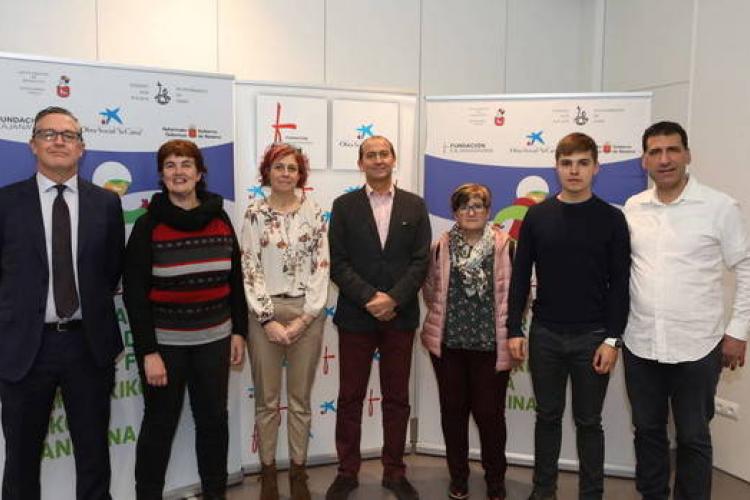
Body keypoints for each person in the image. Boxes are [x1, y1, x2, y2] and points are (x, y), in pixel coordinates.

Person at [0, 106, 125, 500]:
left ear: (82, 148)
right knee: (20, 460)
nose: (58, 141)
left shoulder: (106, 204)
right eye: (48, 133)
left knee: (93, 456)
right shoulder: (5, 202)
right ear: (32, 144)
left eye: (68, 135)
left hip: (87, 346)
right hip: (24, 349)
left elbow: (109, 271)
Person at [623, 121, 750, 500]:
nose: (664, 160)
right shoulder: (633, 208)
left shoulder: (719, 207)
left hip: (699, 345)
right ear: (644, 160)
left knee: (694, 437)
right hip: (640, 343)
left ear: (688, 155)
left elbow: (745, 266)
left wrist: (738, 331)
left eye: (672, 150)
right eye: (655, 152)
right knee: (647, 432)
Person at [506, 132, 631, 500]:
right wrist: (515, 328)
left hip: (593, 337)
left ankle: (591, 493)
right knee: (547, 417)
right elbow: (519, 276)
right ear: (556, 167)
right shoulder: (537, 215)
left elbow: (621, 285)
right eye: (566, 163)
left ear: (596, 167)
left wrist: (612, 339)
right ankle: (543, 491)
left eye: (582, 163)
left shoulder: (612, 219)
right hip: (544, 334)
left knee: (589, 422)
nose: (574, 171)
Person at [122, 139, 248, 500]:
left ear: (200, 173)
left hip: (215, 340)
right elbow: (134, 295)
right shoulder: (148, 227)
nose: (179, 172)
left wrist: (239, 331)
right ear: (162, 175)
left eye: (186, 164)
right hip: (166, 347)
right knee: (159, 426)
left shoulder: (221, 217)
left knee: (213, 423)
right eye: (171, 165)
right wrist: (148, 351)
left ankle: (215, 494)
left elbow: (235, 279)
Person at [325, 135, 431, 500]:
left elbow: (421, 262)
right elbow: (337, 262)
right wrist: (370, 297)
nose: (378, 160)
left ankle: (394, 471)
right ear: (361, 163)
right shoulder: (343, 206)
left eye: (384, 153)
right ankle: (347, 471)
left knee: (397, 398)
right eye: (370, 155)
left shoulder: (415, 206)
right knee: (350, 397)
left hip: (399, 318)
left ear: (394, 159)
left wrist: (394, 299)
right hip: (357, 315)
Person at [241, 143, 329, 500]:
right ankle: (267, 473)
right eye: (279, 167)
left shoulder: (315, 213)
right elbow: (250, 267)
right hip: (266, 313)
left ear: (300, 175)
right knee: (266, 399)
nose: (285, 174)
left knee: (299, 399)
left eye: (292, 168)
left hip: (306, 312)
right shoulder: (254, 213)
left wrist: (305, 319)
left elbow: (323, 267)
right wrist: (266, 319)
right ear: (268, 172)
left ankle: (297, 471)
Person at [421, 183, 514, 500]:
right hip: (449, 347)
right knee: (453, 414)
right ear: (455, 213)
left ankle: (495, 480)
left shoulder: (506, 245)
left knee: (490, 417)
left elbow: (520, 293)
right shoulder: (440, 246)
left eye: (477, 206)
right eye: (464, 207)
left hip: (492, 346)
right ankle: (458, 477)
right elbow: (431, 289)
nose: (471, 212)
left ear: (488, 211)